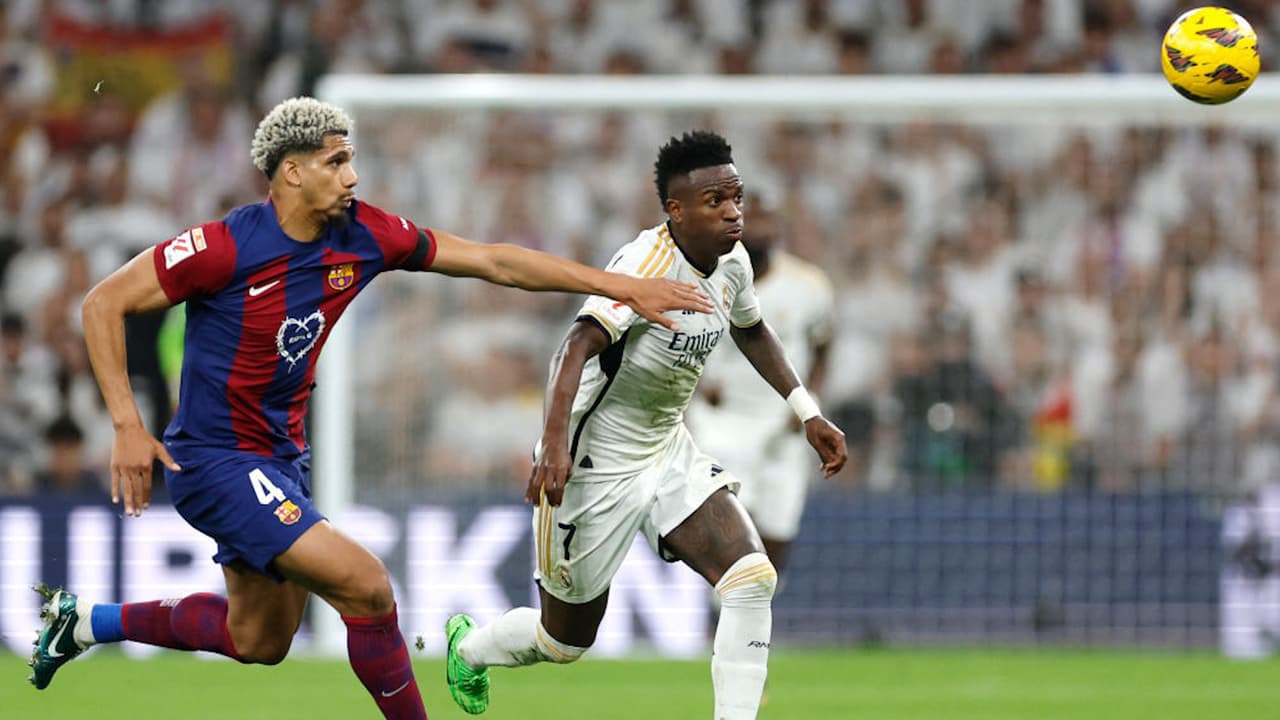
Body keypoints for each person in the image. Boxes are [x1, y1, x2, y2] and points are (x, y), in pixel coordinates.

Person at [27, 96, 712, 720]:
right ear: (292, 172)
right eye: (336, 162)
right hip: (215, 461)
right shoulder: (224, 246)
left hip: (280, 459)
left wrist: (620, 286)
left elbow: (492, 262)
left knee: (258, 640)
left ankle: (83, 623)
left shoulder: (364, 235)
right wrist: (127, 424)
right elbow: (103, 302)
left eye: (350, 160)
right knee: (369, 588)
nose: (352, 177)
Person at [444, 131, 847, 719]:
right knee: (564, 641)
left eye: (736, 197)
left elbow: (751, 329)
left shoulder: (733, 261)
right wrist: (553, 445)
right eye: (715, 201)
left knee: (751, 578)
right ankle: (470, 649)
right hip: (593, 463)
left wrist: (807, 410)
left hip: (665, 447)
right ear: (676, 210)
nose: (733, 212)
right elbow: (574, 346)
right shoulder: (645, 264)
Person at [688, 196, 834, 576]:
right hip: (724, 419)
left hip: (782, 422)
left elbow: (822, 346)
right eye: (751, 220)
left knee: (778, 529)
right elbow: (678, 338)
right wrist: (700, 384)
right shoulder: (704, 277)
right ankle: (727, 603)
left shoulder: (809, 285)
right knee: (735, 526)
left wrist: (808, 402)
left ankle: (757, 602)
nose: (760, 229)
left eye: (768, 220)